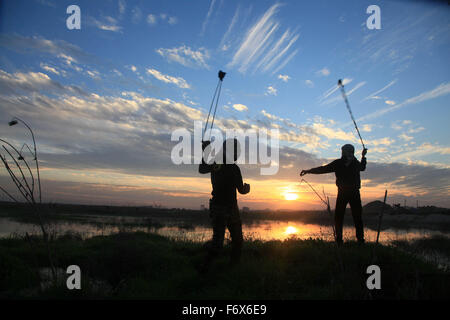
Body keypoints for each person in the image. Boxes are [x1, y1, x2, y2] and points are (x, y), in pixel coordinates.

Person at [198, 138, 250, 272]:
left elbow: (202, 169)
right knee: (231, 242)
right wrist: (247, 188)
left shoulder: (218, 163)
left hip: (226, 207)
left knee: (228, 241)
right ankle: (206, 269)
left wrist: (205, 151)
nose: (236, 154)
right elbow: (242, 190)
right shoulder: (229, 166)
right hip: (224, 207)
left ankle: (227, 268)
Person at [300, 144, 367, 245]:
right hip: (349, 193)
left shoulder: (346, 163)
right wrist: (309, 171)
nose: (342, 153)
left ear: (347, 152)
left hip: (347, 193)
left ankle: (351, 240)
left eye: (343, 151)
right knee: (348, 217)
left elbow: (362, 167)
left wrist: (363, 157)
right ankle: (350, 240)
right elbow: (323, 169)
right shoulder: (350, 163)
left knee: (350, 217)